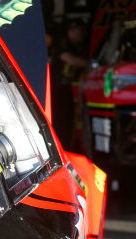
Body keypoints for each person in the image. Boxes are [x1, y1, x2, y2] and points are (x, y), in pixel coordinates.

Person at [50, 19, 89, 151]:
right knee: (60, 123)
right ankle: (61, 150)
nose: (83, 34)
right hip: (56, 89)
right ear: (71, 30)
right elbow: (69, 59)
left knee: (69, 122)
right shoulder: (62, 42)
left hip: (68, 90)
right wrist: (91, 64)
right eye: (80, 31)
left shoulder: (78, 47)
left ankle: (67, 148)